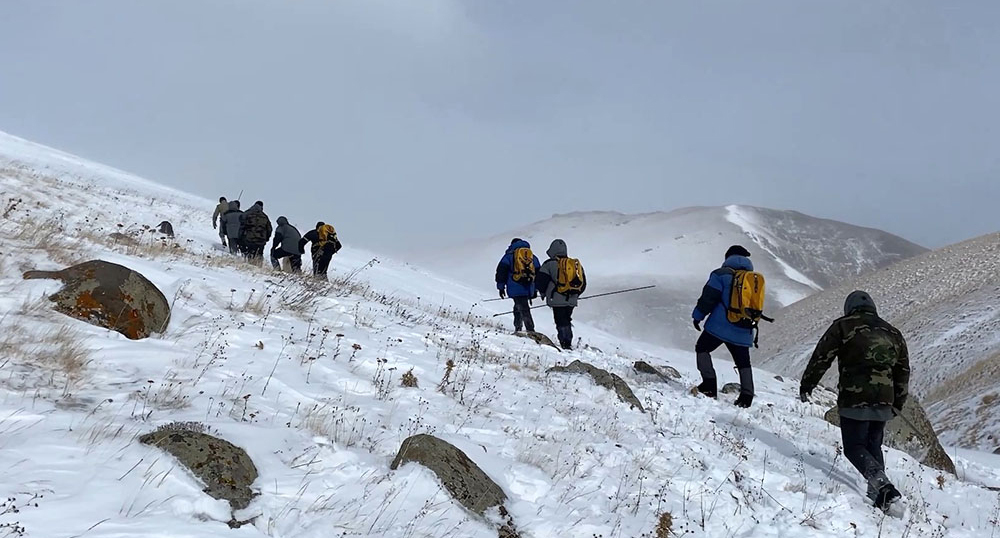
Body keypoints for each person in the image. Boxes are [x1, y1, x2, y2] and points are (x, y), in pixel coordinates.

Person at [799, 291, 909, 511]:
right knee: (872, 444)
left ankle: (883, 487)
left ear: (849, 307)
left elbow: (822, 357)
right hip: (884, 399)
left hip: (854, 396)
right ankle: (879, 498)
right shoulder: (892, 332)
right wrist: (898, 402)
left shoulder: (843, 326)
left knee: (853, 446)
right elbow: (903, 370)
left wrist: (807, 384)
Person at [691, 245, 756, 408]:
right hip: (744, 328)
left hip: (720, 326)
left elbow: (708, 298)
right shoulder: (752, 279)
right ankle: (747, 396)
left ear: (728, 257)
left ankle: (709, 386)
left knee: (702, 348)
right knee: (743, 362)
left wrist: (697, 317)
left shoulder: (721, 274)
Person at [535, 239, 586, 350]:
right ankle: (567, 341)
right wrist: (575, 294)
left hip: (556, 298)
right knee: (566, 319)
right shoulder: (575, 265)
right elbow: (583, 283)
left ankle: (565, 343)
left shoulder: (549, 264)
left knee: (560, 321)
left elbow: (540, 281)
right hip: (572, 299)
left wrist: (544, 293)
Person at [495, 238, 541, 333]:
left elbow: (501, 272)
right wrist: (536, 289)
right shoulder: (531, 256)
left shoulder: (508, 256)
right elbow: (538, 273)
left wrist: (501, 287)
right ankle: (518, 327)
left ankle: (530, 329)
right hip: (528, 286)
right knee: (520, 305)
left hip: (515, 286)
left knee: (523, 307)